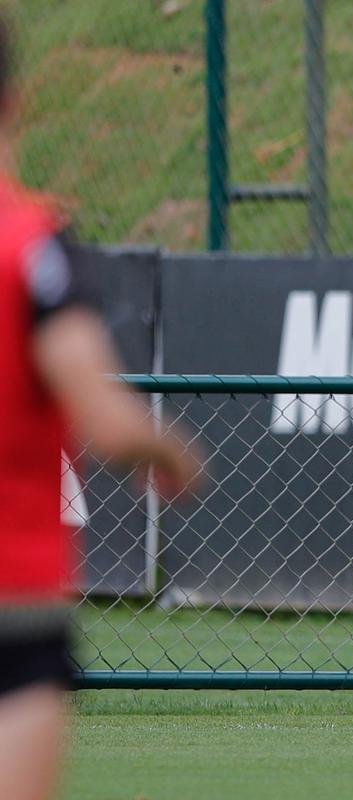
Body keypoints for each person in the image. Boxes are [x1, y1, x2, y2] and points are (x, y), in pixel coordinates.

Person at [0, 16, 203, 798]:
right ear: (17, 101)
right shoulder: (34, 248)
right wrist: (172, 455)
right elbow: (110, 425)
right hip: (15, 603)